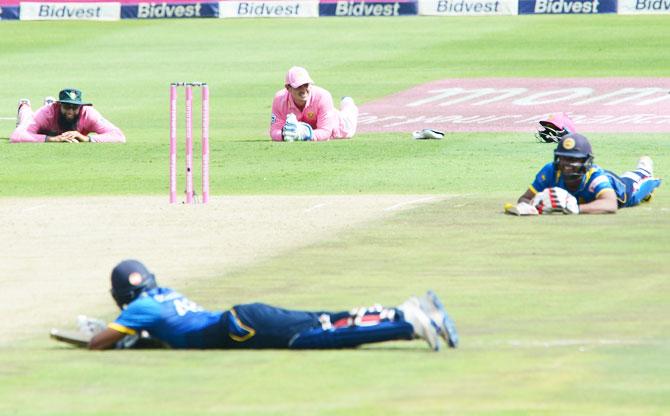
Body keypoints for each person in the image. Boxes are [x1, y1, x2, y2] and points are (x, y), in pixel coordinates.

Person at [87, 260, 459, 351]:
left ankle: (410, 322)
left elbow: (95, 343)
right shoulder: (161, 295)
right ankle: (403, 311)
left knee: (311, 338)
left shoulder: (137, 311)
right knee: (325, 321)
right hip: (241, 316)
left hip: (239, 326)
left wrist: (114, 335)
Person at [514, 133, 662, 215]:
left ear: (586, 162)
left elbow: (611, 204)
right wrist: (529, 206)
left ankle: (643, 170)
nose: (567, 166)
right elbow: (525, 197)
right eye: (564, 159)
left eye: (574, 160)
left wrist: (577, 208)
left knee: (638, 190)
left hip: (620, 191)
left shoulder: (595, 177)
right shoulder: (550, 171)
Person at [269, 66, 358, 142]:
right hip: (316, 124)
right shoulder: (279, 99)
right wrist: (284, 135)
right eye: (299, 86)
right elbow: (274, 131)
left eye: (306, 85)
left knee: (349, 116)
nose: (303, 90)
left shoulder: (323, 96)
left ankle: (347, 103)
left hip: (339, 126)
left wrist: (303, 134)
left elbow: (326, 132)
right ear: (288, 88)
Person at [10, 88, 125, 143]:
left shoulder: (89, 113)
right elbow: (17, 136)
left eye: (74, 107)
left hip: (51, 124)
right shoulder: (47, 112)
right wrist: (53, 139)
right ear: (58, 105)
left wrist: (87, 138)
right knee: (27, 119)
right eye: (66, 106)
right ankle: (24, 105)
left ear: (81, 106)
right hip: (47, 126)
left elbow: (119, 136)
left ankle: (47, 101)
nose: (70, 111)